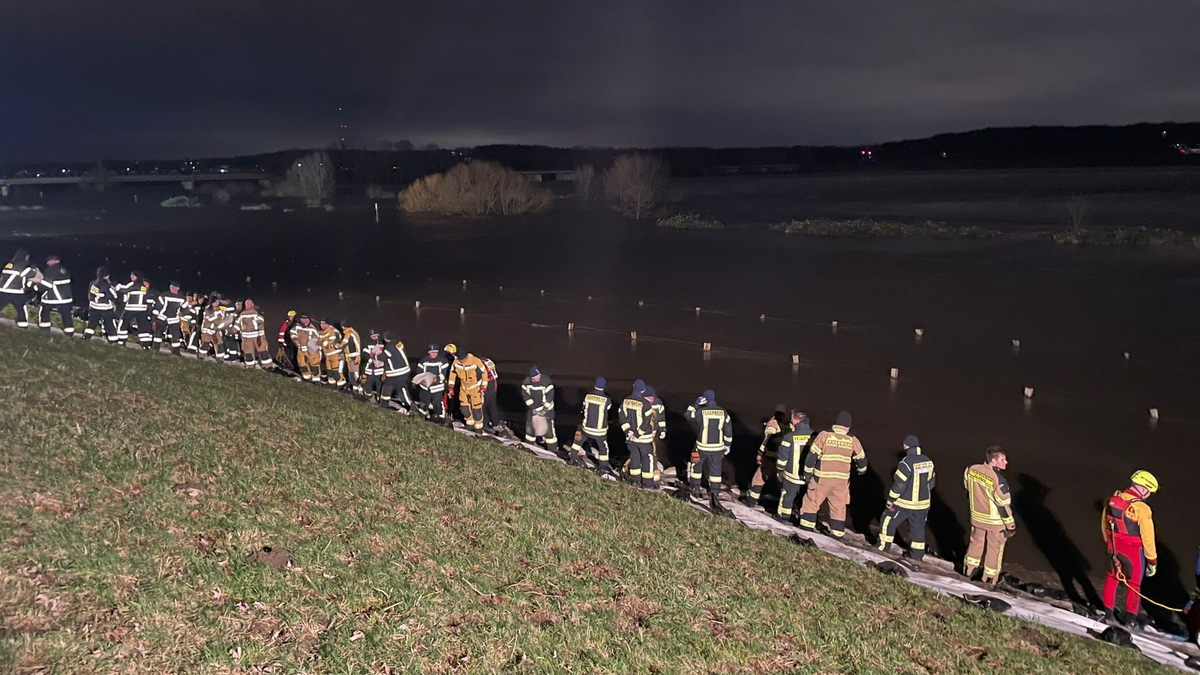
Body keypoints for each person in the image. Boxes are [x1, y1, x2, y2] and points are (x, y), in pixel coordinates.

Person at [1101, 470, 1160, 625]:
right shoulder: (1142, 508)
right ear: (1144, 489)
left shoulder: (1114, 498)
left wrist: (1108, 542)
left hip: (1113, 546)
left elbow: (1104, 524)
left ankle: (1108, 614)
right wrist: (1152, 560)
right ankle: (1130, 620)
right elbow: (1148, 537)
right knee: (1134, 584)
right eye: (1149, 492)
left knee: (1112, 578)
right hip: (1132, 549)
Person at [798, 410, 867, 539]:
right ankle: (837, 535)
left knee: (812, 501)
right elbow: (862, 460)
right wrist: (861, 471)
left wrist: (807, 474)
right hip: (841, 483)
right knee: (838, 508)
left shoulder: (825, 435)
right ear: (848, 426)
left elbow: (811, 457)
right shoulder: (853, 440)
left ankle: (806, 529)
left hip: (822, 479)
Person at [963, 446, 1016, 586]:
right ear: (993, 460)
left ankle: (968, 571)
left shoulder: (972, 469)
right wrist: (1011, 526)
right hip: (994, 523)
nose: (1006, 462)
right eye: (1002, 459)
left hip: (976, 518)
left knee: (975, 544)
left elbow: (968, 488)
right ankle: (988, 580)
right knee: (994, 550)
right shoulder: (998, 480)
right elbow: (1003, 507)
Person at [877, 435, 936, 560]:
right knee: (918, 530)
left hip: (905, 504)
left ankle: (883, 548)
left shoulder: (905, 463)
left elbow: (899, 485)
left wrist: (890, 501)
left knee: (887, 520)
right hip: (923, 505)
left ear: (905, 446)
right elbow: (931, 483)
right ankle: (917, 556)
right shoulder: (928, 461)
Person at [686, 389, 732, 511]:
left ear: (705, 399)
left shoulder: (702, 411)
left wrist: (695, 404)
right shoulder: (723, 412)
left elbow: (688, 415)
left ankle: (695, 488)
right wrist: (728, 444)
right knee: (715, 471)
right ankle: (715, 493)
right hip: (717, 448)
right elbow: (728, 429)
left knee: (696, 466)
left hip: (700, 447)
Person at [745, 405, 790, 507]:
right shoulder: (789, 426)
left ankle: (751, 502)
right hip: (784, 458)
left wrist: (760, 453)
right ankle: (785, 507)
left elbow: (767, 440)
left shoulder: (772, 423)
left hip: (770, 458)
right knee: (782, 483)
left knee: (758, 478)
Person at [774, 410, 812, 522]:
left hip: (792, 475)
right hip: (808, 477)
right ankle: (804, 521)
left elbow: (782, 457)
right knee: (806, 500)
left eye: (792, 419)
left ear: (796, 420)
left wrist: (780, 470)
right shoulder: (815, 436)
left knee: (787, 497)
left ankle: (783, 518)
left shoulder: (789, 437)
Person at [621, 385, 661, 489]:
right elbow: (646, 422)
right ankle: (647, 484)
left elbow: (622, 418)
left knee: (635, 458)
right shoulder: (646, 404)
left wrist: (628, 431)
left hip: (630, 438)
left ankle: (635, 481)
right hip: (643, 439)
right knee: (647, 459)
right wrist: (637, 434)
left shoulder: (626, 401)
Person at [572, 377, 613, 473]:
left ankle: (573, 455)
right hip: (600, 432)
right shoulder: (607, 400)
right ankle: (604, 466)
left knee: (578, 436)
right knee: (603, 448)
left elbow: (583, 408)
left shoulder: (588, 396)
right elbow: (608, 413)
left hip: (586, 429)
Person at [449, 351, 490, 431]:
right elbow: (452, 374)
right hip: (464, 388)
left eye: (463, 359)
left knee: (476, 409)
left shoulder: (475, 361)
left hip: (475, 388)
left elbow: (484, 373)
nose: (462, 361)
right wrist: (451, 386)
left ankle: (478, 426)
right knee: (464, 407)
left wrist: (483, 387)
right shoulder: (456, 362)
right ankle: (469, 423)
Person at [35, 254, 74, 334]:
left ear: (54, 261)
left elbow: (46, 284)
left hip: (53, 298)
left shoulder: (51, 270)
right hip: (66, 298)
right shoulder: (64, 270)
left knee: (44, 311)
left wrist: (36, 288)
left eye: (49, 261)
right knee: (67, 316)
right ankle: (69, 333)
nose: (48, 263)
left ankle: (44, 331)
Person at [521, 365, 557, 447]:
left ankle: (553, 450)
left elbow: (549, 397)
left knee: (549, 433)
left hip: (546, 412)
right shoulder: (526, 383)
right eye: (535, 377)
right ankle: (529, 448)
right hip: (532, 411)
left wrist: (544, 409)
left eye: (538, 376)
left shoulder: (546, 382)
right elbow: (526, 397)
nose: (537, 379)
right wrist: (533, 408)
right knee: (530, 431)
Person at [0, 248, 37, 328]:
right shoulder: (23, 264)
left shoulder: (9, 264)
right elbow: (31, 274)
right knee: (21, 309)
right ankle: (23, 325)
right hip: (16, 292)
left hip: (3, 290)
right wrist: (33, 268)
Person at [84, 267, 119, 343]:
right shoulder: (107, 285)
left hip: (94, 307)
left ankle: (86, 337)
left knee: (91, 324)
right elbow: (114, 296)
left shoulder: (93, 283)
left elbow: (90, 295)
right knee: (110, 325)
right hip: (105, 309)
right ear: (106, 276)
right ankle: (113, 341)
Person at [236, 299, 272, 369]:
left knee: (263, 353)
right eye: (246, 304)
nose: (247, 305)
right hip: (246, 339)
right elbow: (237, 325)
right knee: (248, 354)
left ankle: (268, 367)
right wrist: (230, 331)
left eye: (249, 304)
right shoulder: (242, 315)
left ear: (252, 305)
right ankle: (250, 367)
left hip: (258, 338)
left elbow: (261, 322)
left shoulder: (257, 314)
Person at [380, 332, 413, 408]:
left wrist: (375, 355)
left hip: (397, 372)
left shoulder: (389, 347)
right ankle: (383, 404)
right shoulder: (399, 343)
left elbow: (382, 357)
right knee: (387, 385)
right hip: (403, 370)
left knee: (401, 388)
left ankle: (411, 407)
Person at [154, 281, 188, 354]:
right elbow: (158, 306)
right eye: (171, 287)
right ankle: (155, 349)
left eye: (174, 287)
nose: (172, 289)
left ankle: (176, 352)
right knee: (158, 334)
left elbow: (185, 308)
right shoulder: (165, 295)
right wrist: (155, 315)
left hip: (173, 319)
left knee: (176, 336)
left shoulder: (181, 298)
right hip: (163, 317)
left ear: (178, 288)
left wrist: (186, 315)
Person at [416, 344, 448, 421]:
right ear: (429, 352)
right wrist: (422, 380)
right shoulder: (423, 361)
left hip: (437, 388)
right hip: (425, 387)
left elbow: (443, 374)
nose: (434, 354)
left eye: (436, 352)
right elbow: (419, 372)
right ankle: (424, 417)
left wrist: (437, 378)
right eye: (432, 352)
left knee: (437, 404)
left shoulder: (442, 361)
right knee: (423, 403)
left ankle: (441, 419)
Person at [290, 314, 321, 381]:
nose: (304, 321)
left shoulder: (312, 329)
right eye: (303, 319)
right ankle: (307, 377)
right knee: (302, 364)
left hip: (311, 350)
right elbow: (293, 336)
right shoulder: (296, 328)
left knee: (314, 365)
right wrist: (298, 344)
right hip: (301, 350)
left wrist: (316, 348)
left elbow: (317, 339)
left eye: (306, 319)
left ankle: (316, 379)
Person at [362, 328, 387, 403]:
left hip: (380, 369)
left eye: (376, 336)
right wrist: (371, 358)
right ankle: (368, 397)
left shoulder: (382, 344)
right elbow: (364, 355)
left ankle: (379, 398)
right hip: (369, 369)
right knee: (368, 383)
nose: (374, 338)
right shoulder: (366, 344)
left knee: (380, 384)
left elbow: (386, 355)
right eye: (373, 336)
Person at [318, 318, 344, 386]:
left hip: (335, 355)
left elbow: (336, 342)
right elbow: (320, 341)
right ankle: (331, 383)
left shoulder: (333, 331)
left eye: (323, 324)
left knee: (336, 371)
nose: (321, 325)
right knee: (329, 371)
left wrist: (327, 343)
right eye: (321, 324)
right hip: (328, 356)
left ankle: (340, 384)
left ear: (328, 324)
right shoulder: (324, 332)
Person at [481, 356, 503, 433]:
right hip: (492, 383)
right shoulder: (487, 361)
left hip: (489, 384)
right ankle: (495, 423)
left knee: (483, 404)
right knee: (492, 405)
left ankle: (485, 423)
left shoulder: (481, 363)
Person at [341, 321, 363, 393]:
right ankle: (354, 387)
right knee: (351, 373)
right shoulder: (347, 334)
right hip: (349, 357)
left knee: (355, 373)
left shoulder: (353, 334)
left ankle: (360, 389)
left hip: (354, 357)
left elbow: (357, 345)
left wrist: (358, 356)